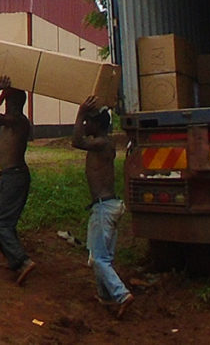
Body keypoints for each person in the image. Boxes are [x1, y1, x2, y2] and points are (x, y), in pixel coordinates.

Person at [72, 96, 133, 318]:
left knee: (98, 258)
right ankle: (106, 296)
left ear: (98, 125)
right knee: (101, 257)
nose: (85, 124)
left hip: (103, 208)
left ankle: (121, 294)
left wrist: (80, 112)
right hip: (109, 206)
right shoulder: (106, 143)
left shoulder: (101, 143)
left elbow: (76, 141)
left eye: (89, 121)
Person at [0, 75, 35, 285]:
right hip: (10, 175)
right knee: (3, 220)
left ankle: (22, 261)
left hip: (14, 176)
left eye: (7, 101)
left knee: (0, 222)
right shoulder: (16, 121)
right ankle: (14, 260)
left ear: (13, 104)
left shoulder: (16, 120)